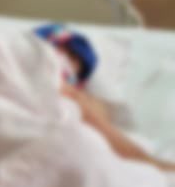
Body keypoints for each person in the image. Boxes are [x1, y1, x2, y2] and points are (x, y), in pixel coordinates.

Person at [35, 23, 175, 173]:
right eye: (58, 49)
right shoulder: (31, 65)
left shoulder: (80, 97)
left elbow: (102, 133)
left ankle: (147, 163)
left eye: (73, 57)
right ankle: (148, 163)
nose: (64, 59)